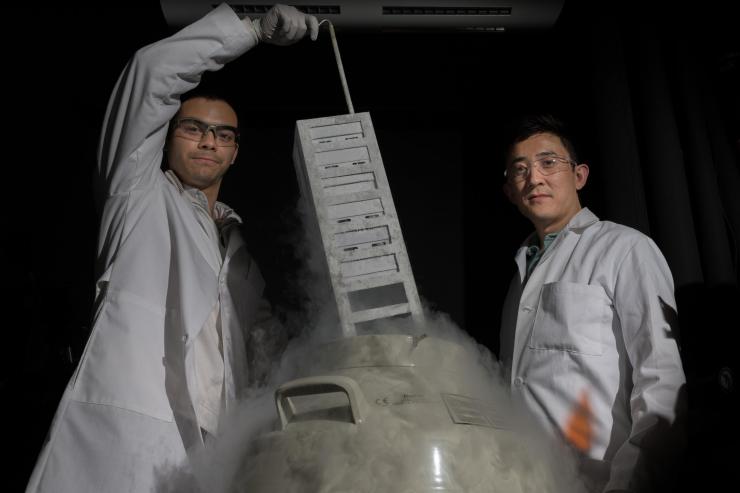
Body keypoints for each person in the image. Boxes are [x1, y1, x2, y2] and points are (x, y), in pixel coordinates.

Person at [26, 4, 319, 492]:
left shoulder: (238, 249)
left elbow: (266, 349)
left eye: (222, 135)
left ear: (235, 151)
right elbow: (150, 73)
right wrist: (250, 30)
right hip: (135, 431)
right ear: (165, 138)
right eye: (193, 129)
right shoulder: (136, 194)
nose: (209, 142)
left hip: (215, 448)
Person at [498, 114, 686, 492]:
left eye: (548, 163)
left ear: (579, 175)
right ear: (510, 191)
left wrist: (628, 485)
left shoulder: (625, 249)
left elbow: (662, 383)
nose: (534, 178)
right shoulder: (520, 272)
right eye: (520, 170)